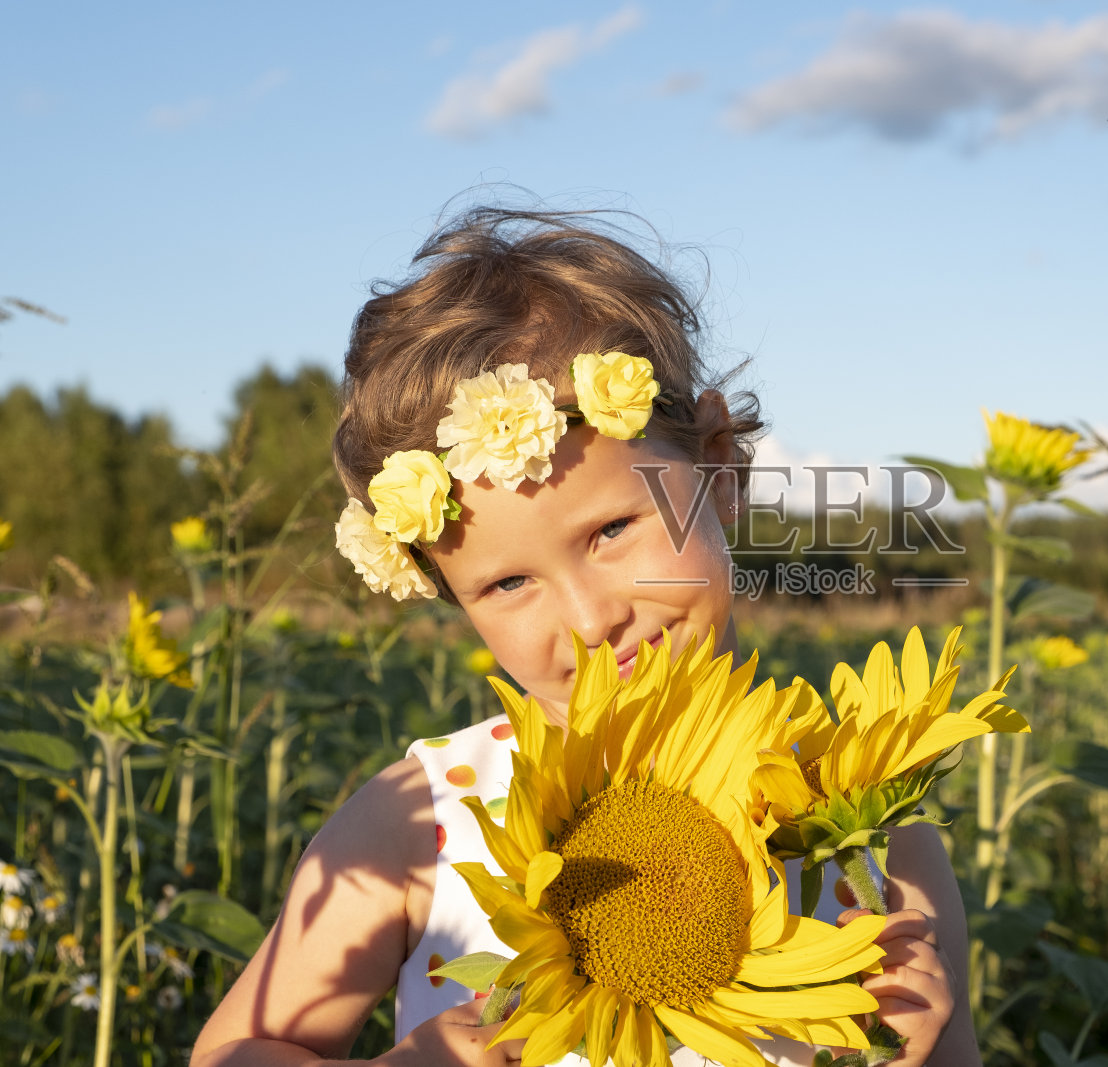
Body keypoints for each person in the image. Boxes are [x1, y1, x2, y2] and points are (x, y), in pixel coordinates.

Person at [191, 206, 979, 1067]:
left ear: (720, 471)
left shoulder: (866, 833)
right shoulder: (424, 820)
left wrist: (908, 1052)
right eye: (508, 582)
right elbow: (235, 1050)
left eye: (610, 531)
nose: (590, 617)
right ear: (450, 595)